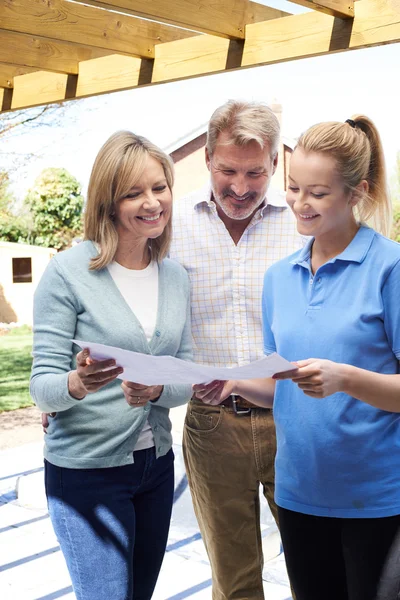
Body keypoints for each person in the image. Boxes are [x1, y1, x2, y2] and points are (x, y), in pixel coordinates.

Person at [195, 115, 400, 600]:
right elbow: (279, 385)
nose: (299, 204)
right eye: (292, 188)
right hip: (300, 493)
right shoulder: (279, 278)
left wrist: (345, 378)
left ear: (356, 193)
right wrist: (234, 383)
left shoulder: (389, 268)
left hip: (378, 499)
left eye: (317, 193)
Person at [30, 131, 192, 600]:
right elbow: (41, 388)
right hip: (86, 473)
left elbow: (184, 374)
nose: (152, 202)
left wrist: (158, 390)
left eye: (159, 187)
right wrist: (78, 383)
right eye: (133, 193)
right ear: (108, 202)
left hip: (156, 467)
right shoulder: (67, 273)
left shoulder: (175, 276)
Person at [169, 100, 302, 599]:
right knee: (234, 577)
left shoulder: (300, 225)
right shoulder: (171, 224)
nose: (240, 187)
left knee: (316, 565)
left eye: (254, 172)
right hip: (211, 424)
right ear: (207, 159)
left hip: (293, 417)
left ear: (273, 165)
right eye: (228, 170)